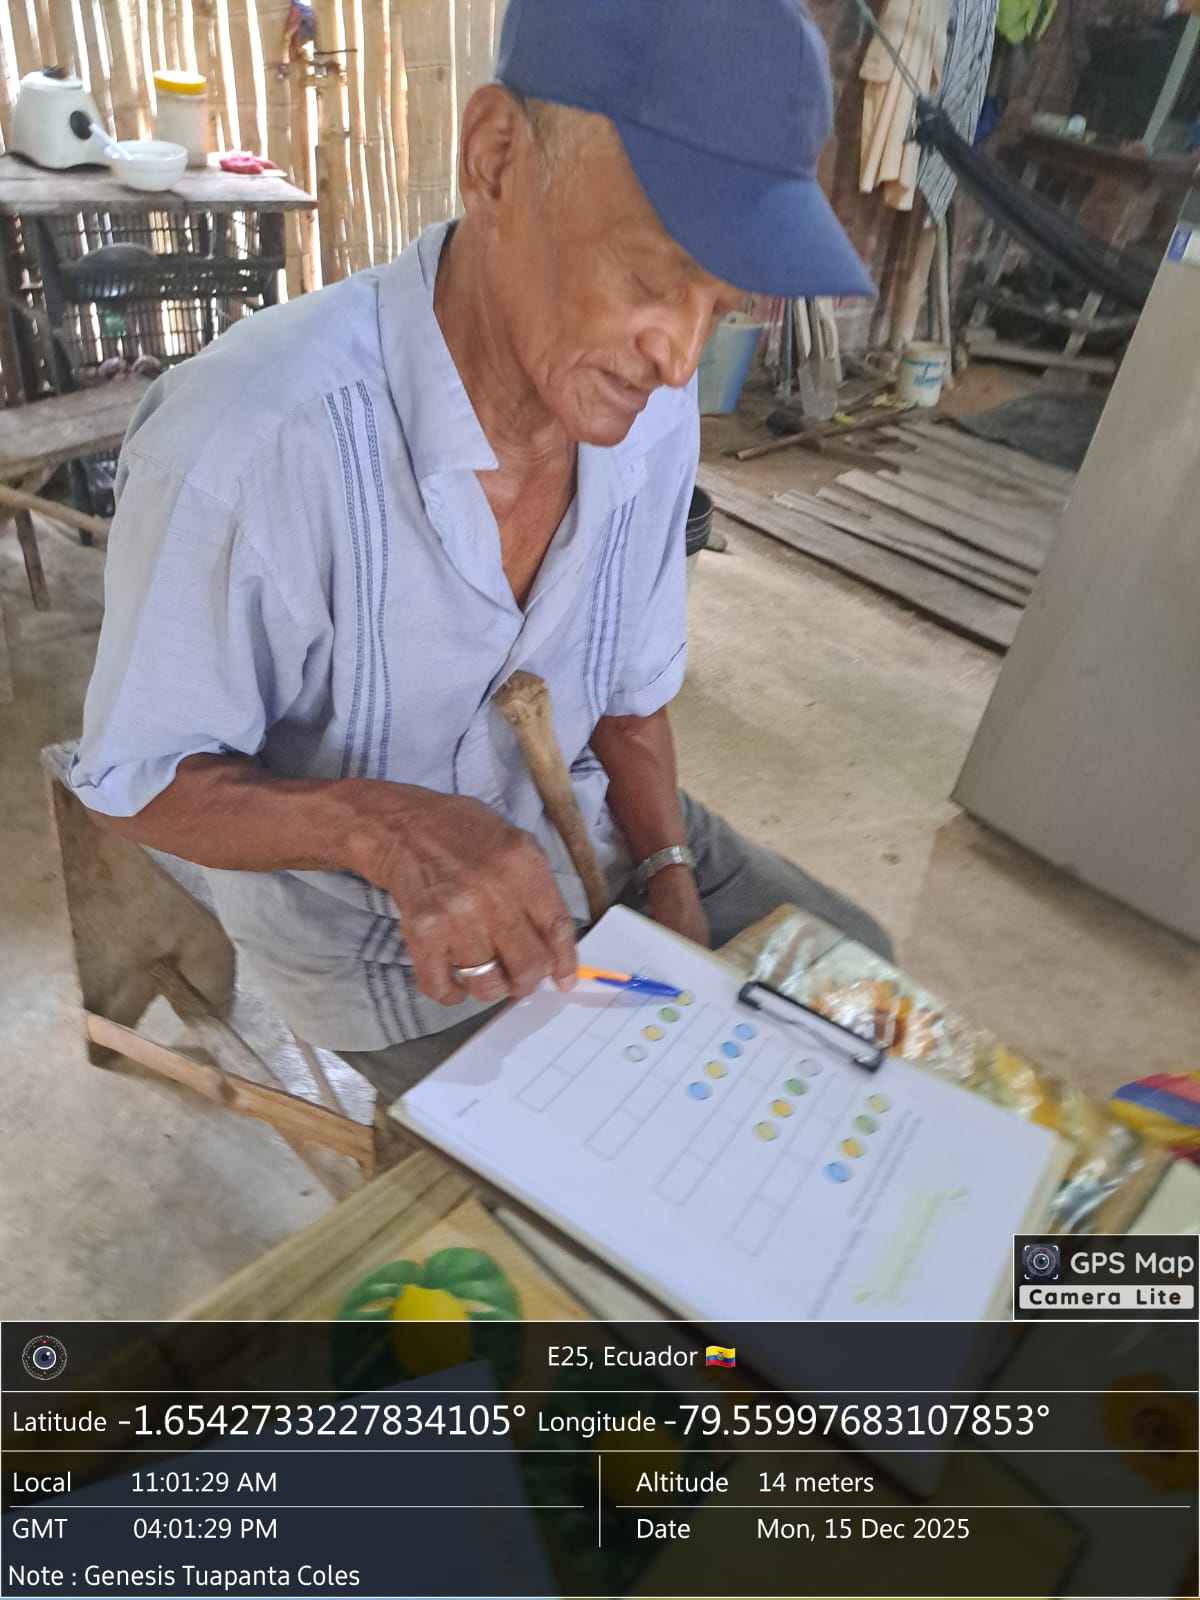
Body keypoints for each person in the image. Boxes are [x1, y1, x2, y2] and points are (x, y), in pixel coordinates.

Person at [70, 0, 887, 1097]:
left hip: (595, 826)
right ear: (496, 159)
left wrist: (667, 873)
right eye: (652, 277)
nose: (680, 358)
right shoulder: (249, 444)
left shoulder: (646, 410)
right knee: (611, 1153)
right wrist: (383, 829)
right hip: (374, 940)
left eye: (721, 304)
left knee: (862, 991)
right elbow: (132, 782)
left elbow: (628, 695)